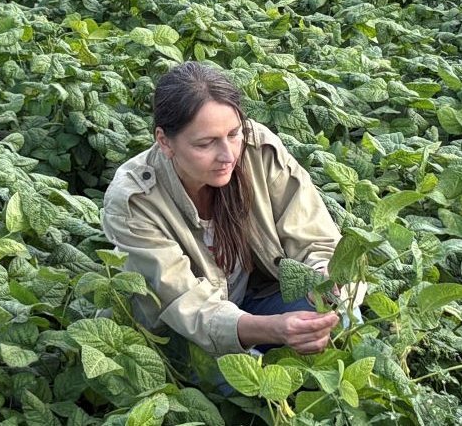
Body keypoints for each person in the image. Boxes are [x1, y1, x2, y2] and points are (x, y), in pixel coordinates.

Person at [101, 61, 363, 361]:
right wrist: (273, 330)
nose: (227, 155)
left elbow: (315, 239)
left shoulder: (258, 149)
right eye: (205, 144)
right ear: (165, 141)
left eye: (234, 134)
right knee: (241, 379)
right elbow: (187, 307)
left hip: (256, 299)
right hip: (179, 337)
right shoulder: (134, 199)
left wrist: (324, 279)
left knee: (340, 327)